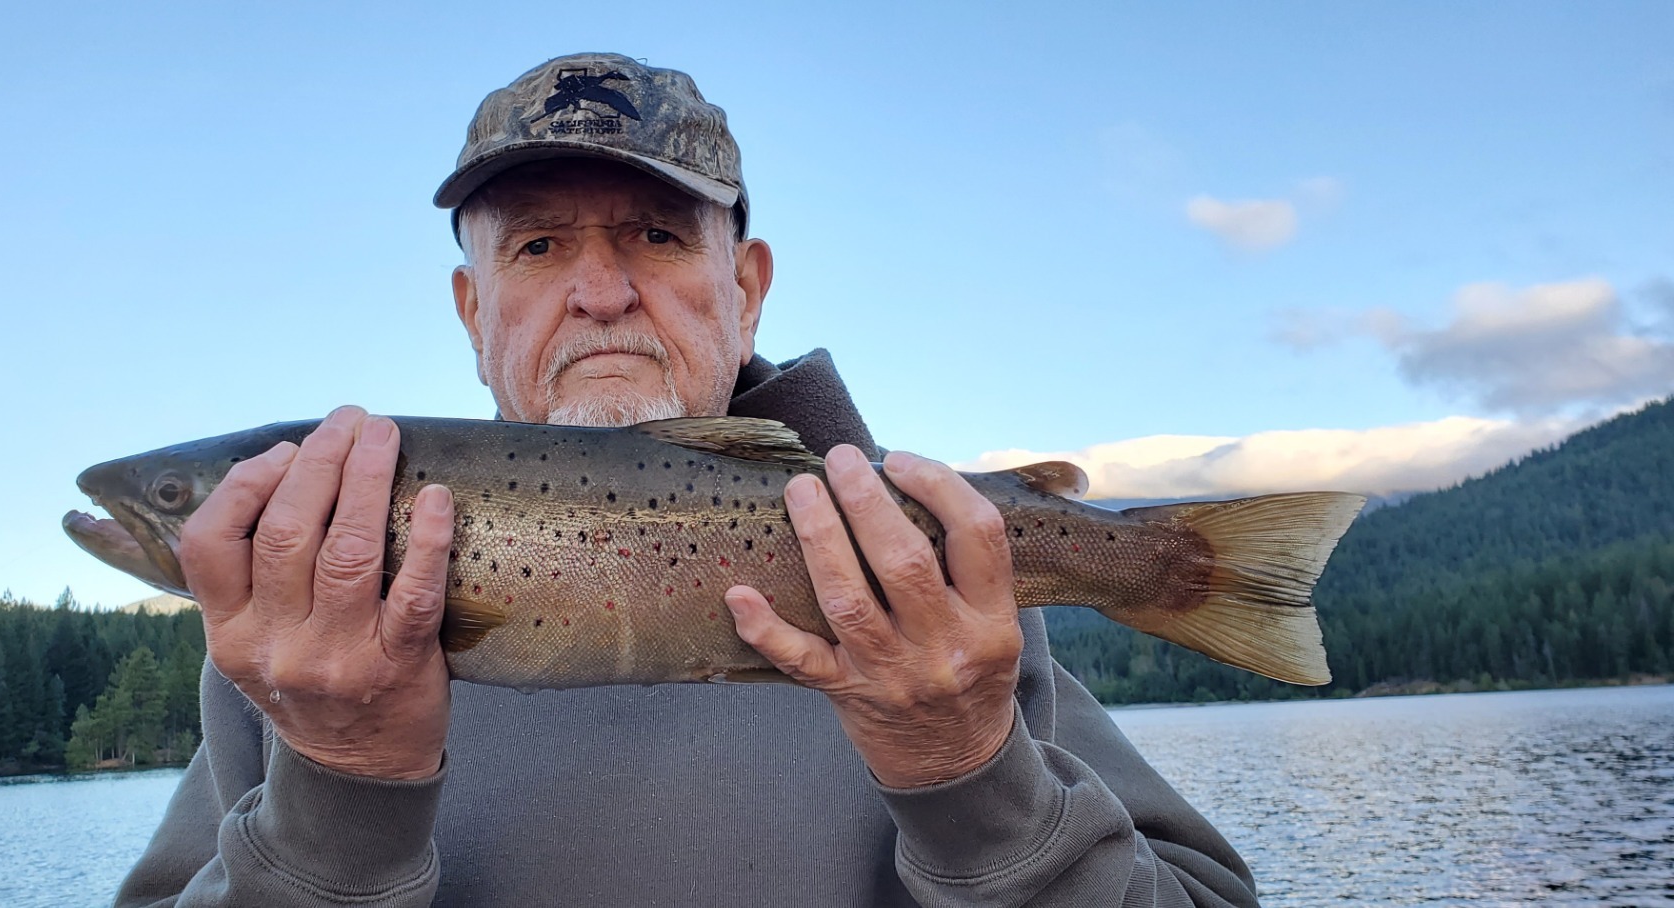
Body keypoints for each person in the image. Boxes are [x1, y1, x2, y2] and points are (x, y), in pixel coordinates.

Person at [116, 53, 1260, 907]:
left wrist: (974, 774)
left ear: (747, 289)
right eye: (538, 246)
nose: (602, 291)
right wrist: (338, 792)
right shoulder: (288, 647)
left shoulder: (939, 594)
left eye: (659, 237)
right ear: (473, 310)